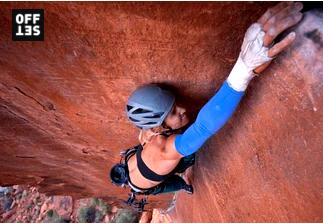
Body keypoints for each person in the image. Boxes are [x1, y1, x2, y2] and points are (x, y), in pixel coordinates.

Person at [110, 2, 304, 196]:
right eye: (174, 113)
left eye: (175, 105)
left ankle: (182, 179)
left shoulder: (147, 132)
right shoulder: (163, 150)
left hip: (134, 166)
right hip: (144, 186)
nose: (183, 110)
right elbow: (203, 127)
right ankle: (185, 182)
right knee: (178, 178)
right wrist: (243, 70)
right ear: (158, 127)